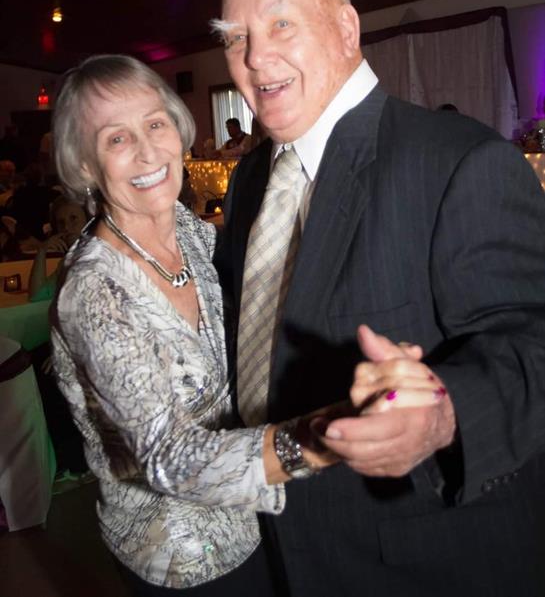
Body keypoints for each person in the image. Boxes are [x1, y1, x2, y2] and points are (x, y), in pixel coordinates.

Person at [212, 0, 545, 597]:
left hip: (426, 560)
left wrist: (443, 415)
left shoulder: (457, 160)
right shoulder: (250, 177)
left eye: (280, 25)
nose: (253, 58)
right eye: (234, 39)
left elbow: (531, 344)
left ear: (344, 28)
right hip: (281, 550)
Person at [49, 55, 432, 596]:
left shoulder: (194, 234)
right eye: (116, 138)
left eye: (155, 123)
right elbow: (168, 458)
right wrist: (332, 437)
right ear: (86, 165)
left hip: (256, 518)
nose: (147, 150)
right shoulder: (93, 290)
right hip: (181, 553)